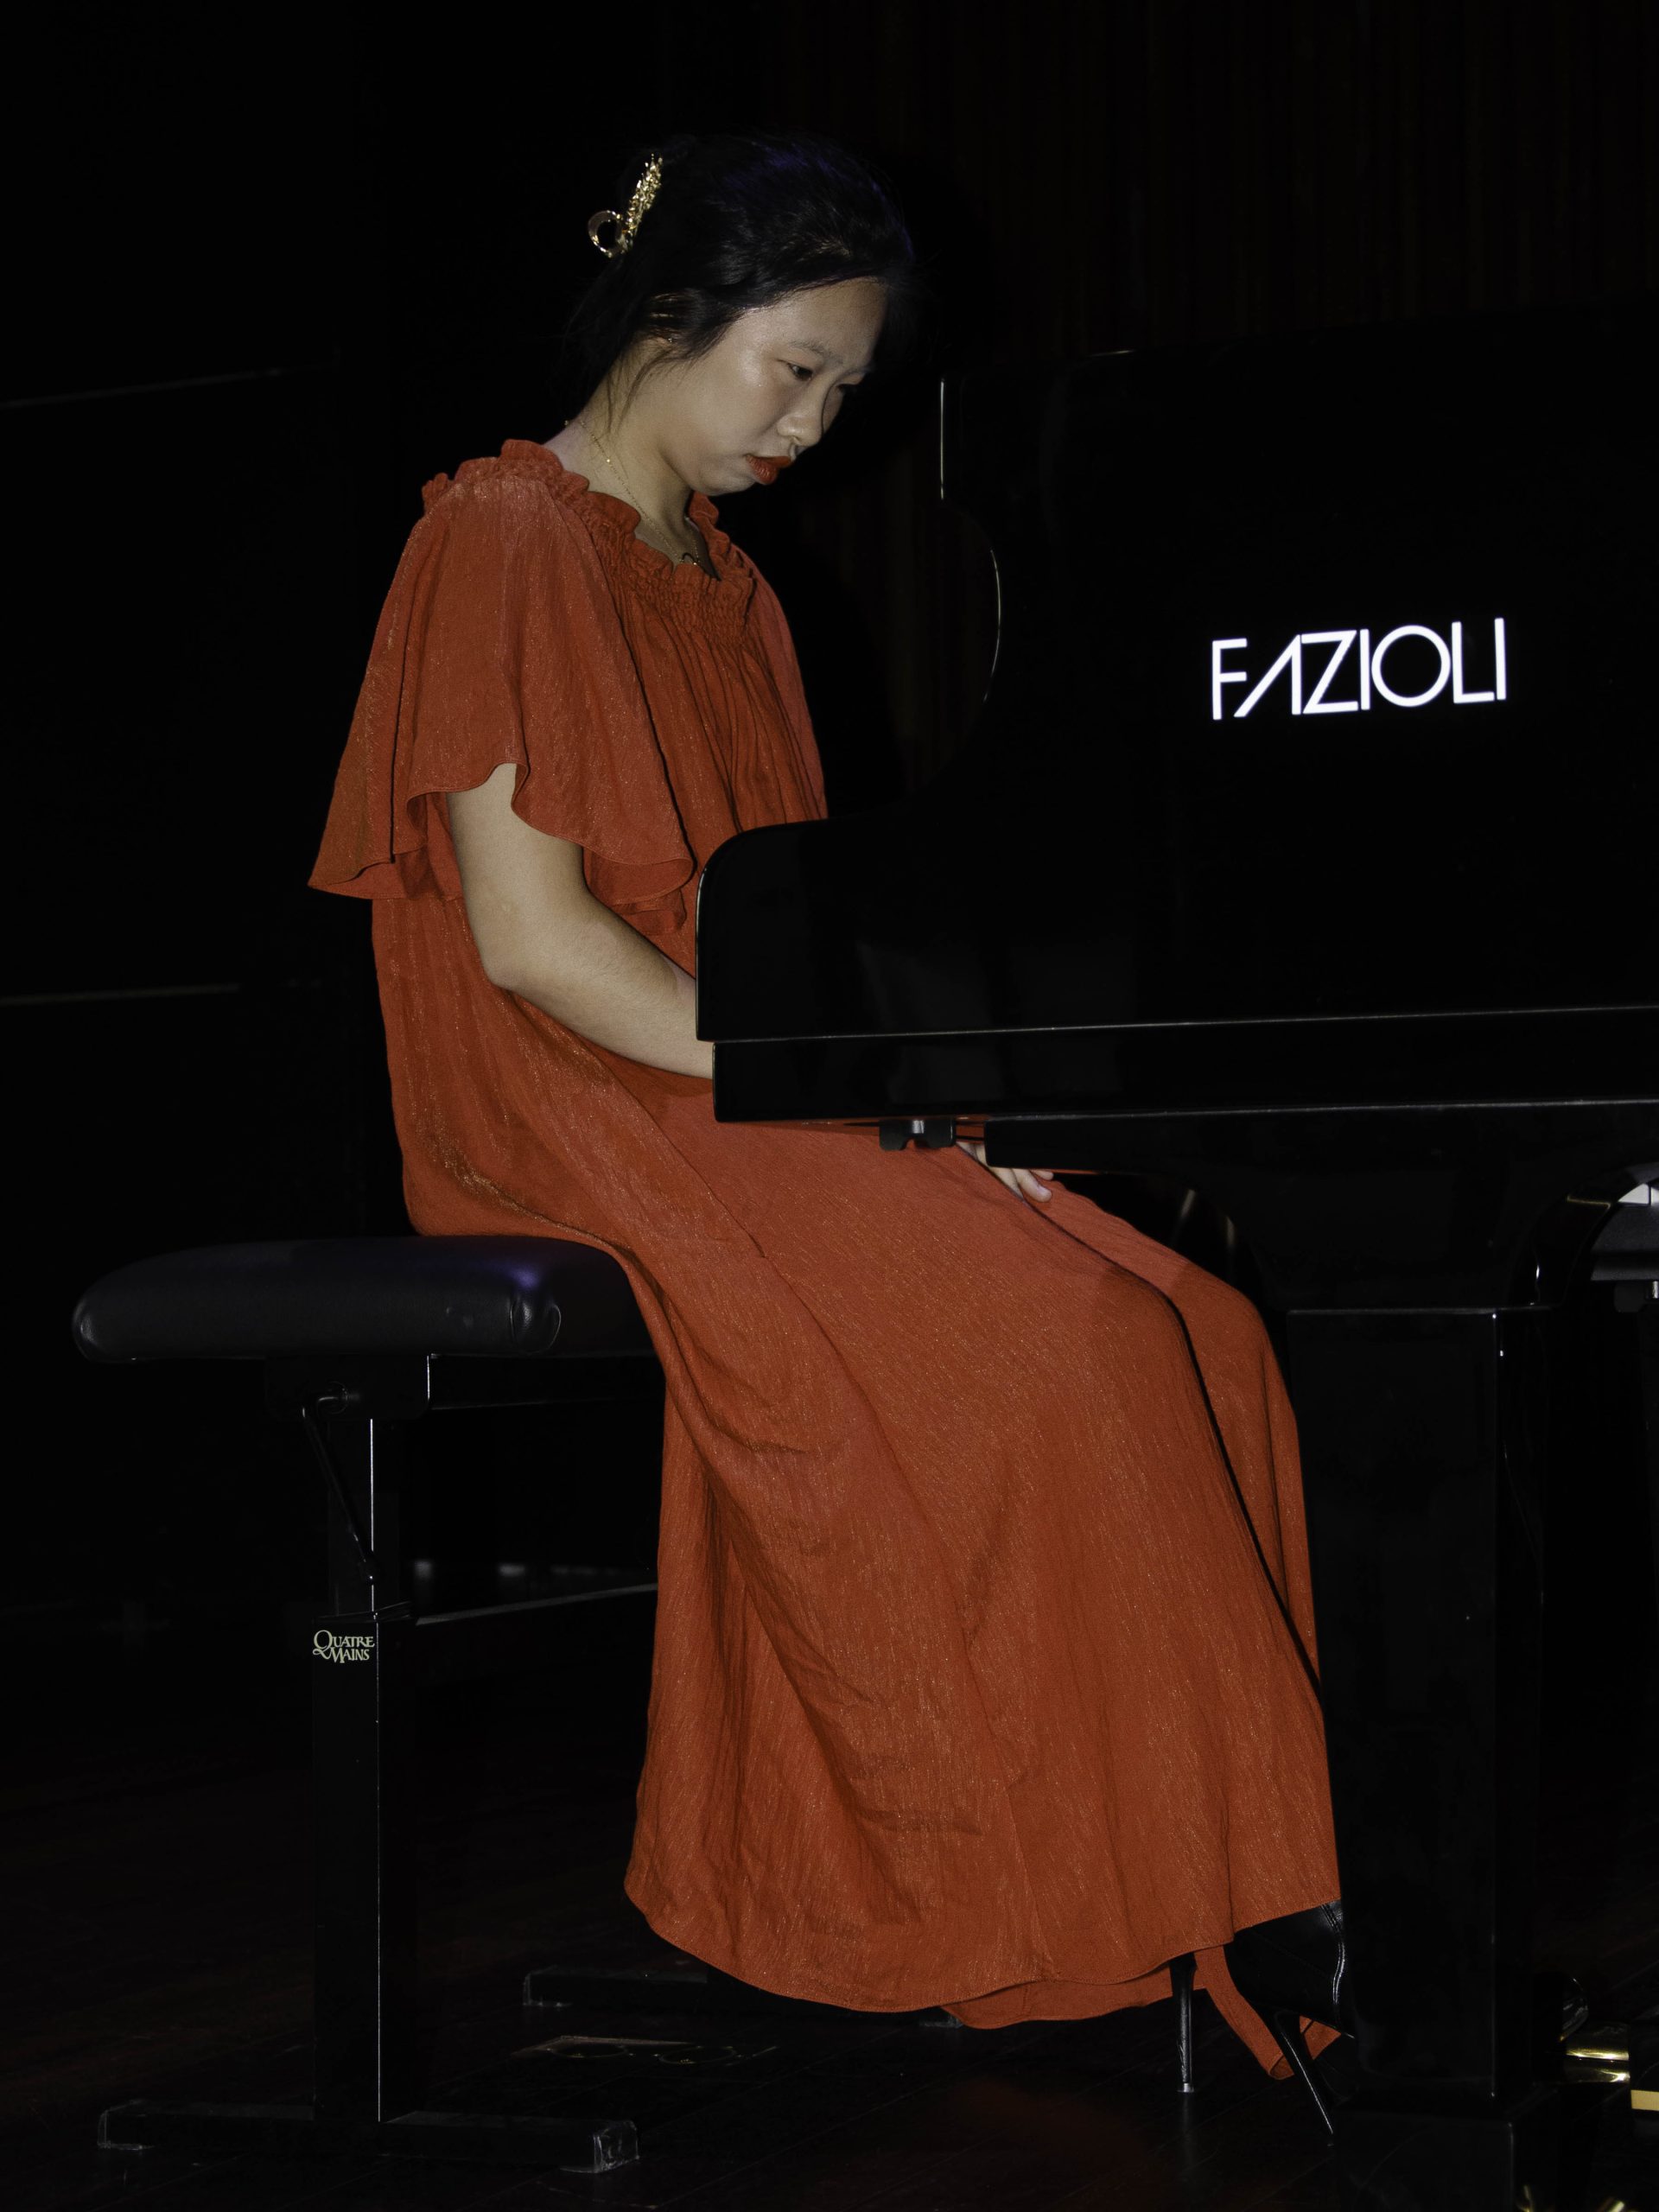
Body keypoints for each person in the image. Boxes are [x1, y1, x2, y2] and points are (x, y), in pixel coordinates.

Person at [309, 129, 1345, 2088]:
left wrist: (936, 1105)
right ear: (669, 313)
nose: (813, 427)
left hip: (723, 1075)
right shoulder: (504, 532)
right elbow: (536, 946)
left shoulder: (736, 592)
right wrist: (864, 1105)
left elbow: (791, 943)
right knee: (1080, 1341)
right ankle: (1140, 1902)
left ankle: (1240, 1893)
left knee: (1198, 1323)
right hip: (563, 1087)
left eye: (845, 395)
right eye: (794, 371)